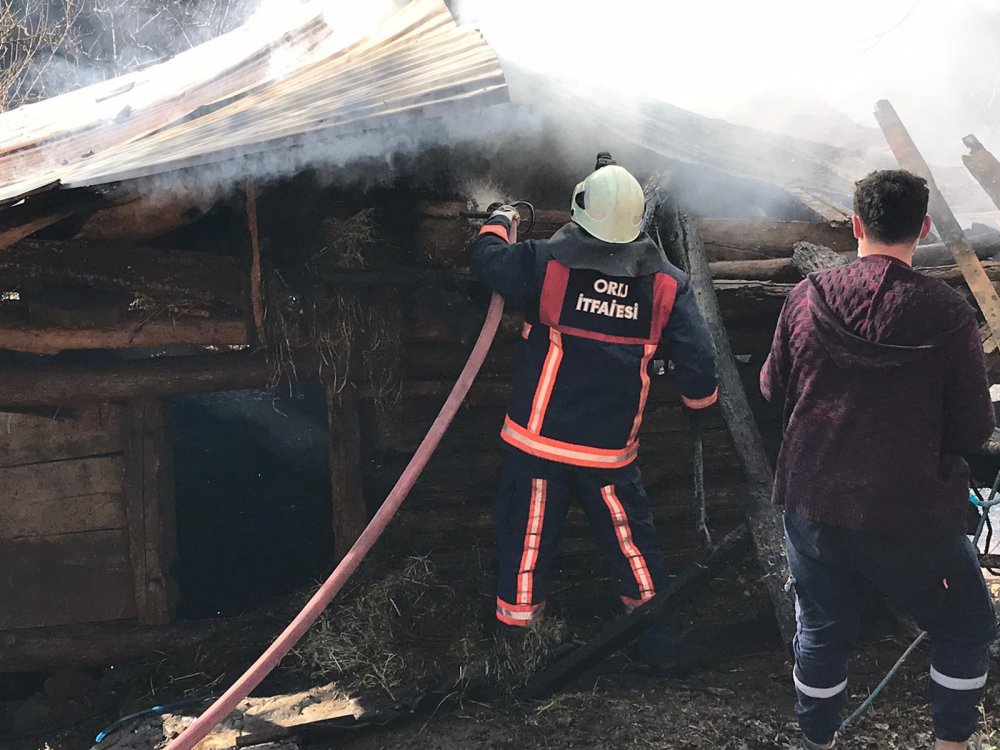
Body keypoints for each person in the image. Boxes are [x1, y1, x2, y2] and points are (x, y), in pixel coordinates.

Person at [761, 169, 998, 750]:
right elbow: (974, 428)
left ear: (856, 224)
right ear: (924, 227)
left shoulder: (805, 297)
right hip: (908, 511)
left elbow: (772, 388)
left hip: (812, 500)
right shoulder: (949, 313)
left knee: (822, 629)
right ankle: (950, 743)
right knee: (967, 623)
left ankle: (817, 740)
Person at [469, 154, 719, 669]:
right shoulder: (667, 284)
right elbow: (698, 358)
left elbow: (488, 261)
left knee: (527, 545)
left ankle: (517, 653)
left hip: (538, 444)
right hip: (609, 453)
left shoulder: (545, 262)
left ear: (580, 207)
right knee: (632, 548)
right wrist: (699, 403)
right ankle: (659, 644)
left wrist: (499, 219)